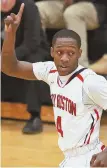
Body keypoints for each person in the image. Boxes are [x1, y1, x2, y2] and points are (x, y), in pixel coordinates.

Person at [1, 4, 107, 167]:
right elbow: (10, 67)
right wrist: (10, 35)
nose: (64, 58)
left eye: (71, 53)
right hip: (69, 158)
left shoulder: (90, 82)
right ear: (52, 52)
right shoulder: (50, 70)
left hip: (89, 157)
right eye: (60, 52)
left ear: (79, 53)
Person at [1, 0, 51, 134]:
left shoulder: (28, 7)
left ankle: (35, 117)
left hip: (33, 51)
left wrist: (6, 58)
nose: (4, 1)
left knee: (33, 63)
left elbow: (32, 42)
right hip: (7, 56)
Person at [36, 0, 107, 72]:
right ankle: (38, 64)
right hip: (62, 4)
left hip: (94, 5)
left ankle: (80, 69)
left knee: (73, 13)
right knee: (37, 9)